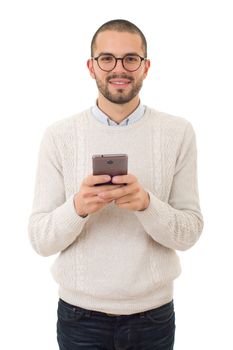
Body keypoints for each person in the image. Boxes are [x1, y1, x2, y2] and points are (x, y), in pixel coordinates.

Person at [28, 19, 204, 350]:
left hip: (153, 318)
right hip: (80, 319)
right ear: (91, 67)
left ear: (146, 66)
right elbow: (40, 239)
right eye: (107, 59)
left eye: (130, 59)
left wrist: (147, 205)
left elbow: (190, 232)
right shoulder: (59, 136)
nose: (118, 69)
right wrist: (78, 208)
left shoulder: (178, 133)